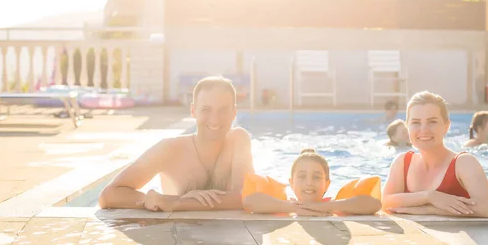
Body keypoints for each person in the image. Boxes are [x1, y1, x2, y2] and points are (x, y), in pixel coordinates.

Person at [98, 76, 254, 212]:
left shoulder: (238, 140)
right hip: (178, 240)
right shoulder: (170, 150)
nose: (215, 119)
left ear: (234, 113)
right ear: (193, 111)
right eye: (206, 110)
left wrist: (178, 202)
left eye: (223, 110)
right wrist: (154, 201)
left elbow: (247, 196)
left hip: (228, 238)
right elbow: (109, 195)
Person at [382, 91, 488, 218]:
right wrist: (429, 196)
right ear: (407, 126)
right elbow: (385, 202)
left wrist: (429, 210)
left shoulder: (464, 163)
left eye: (432, 121)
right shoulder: (403, 162)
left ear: (446, 126)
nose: (424, 130)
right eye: (416, 122)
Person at [242, 148, 381, 216]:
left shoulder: (331, 205)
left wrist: (323, 207)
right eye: (302, 177)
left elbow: (374, 204)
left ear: (327, 184)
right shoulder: (286, 204)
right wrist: (295, 209)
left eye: (316, 177)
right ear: (291, 183)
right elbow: (250, 201)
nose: (309, 182)